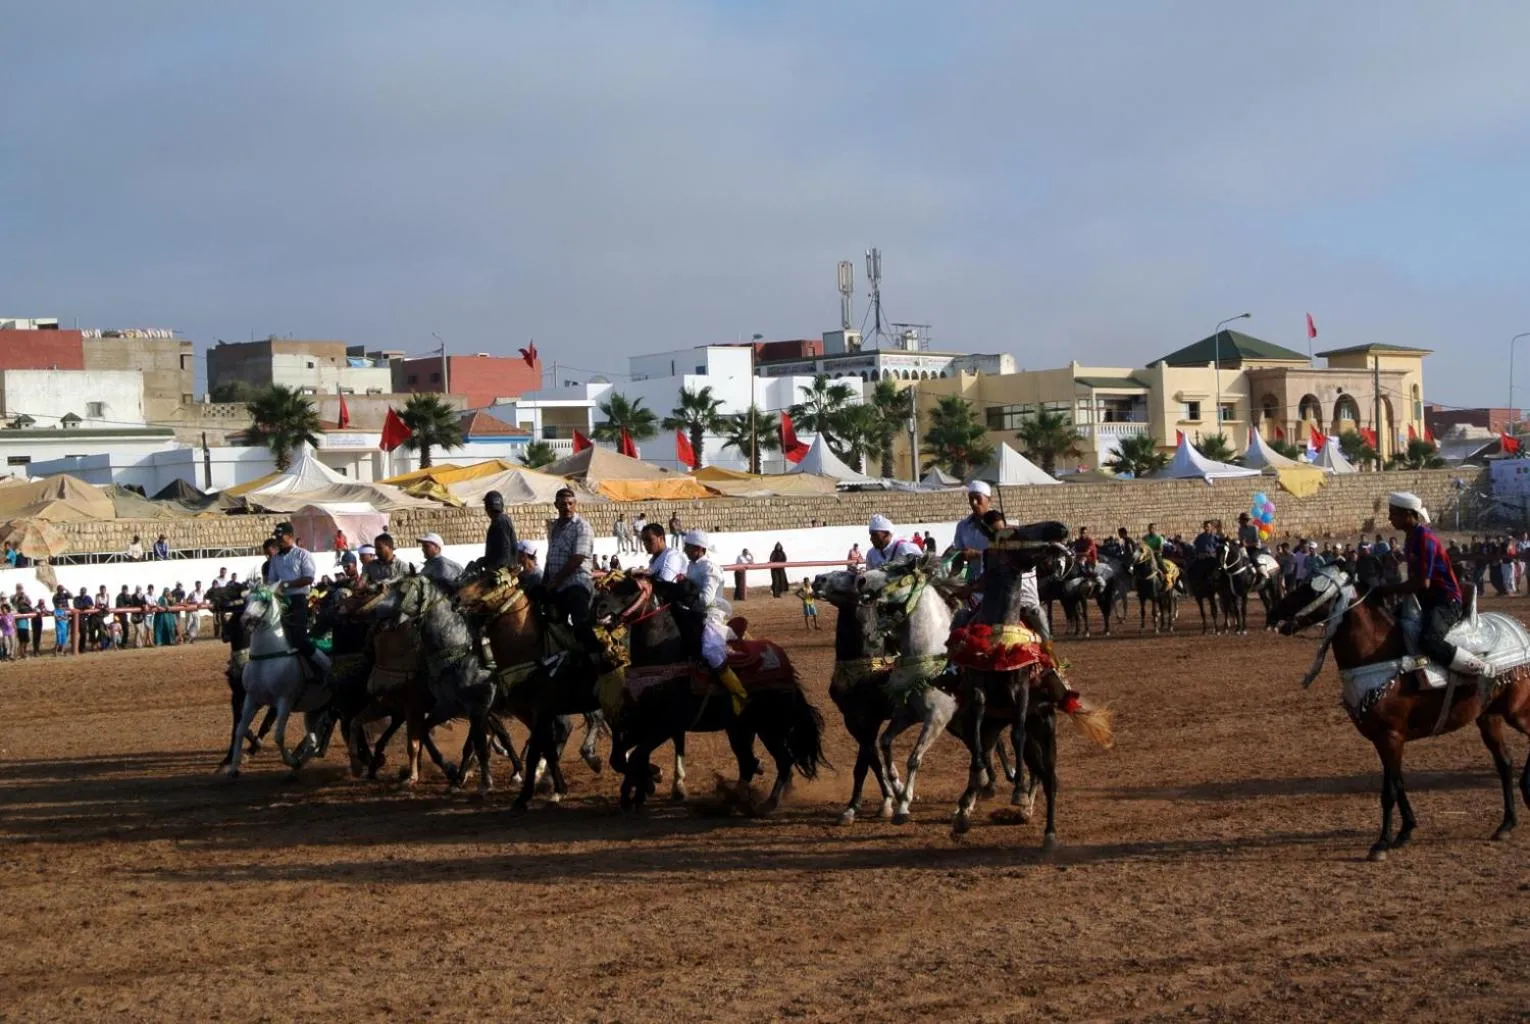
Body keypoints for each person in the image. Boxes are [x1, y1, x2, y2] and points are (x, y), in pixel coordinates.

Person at [1373, 491, 1492, 677]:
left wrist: (1385, 590)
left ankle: (1480, 669)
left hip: (1445, 601)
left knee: (1429, 640)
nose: (1389, 518)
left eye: (1393, 513)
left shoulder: (1424, 538)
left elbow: (1422, 583)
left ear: (1408, 514)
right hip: (1426, 599)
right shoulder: (1411, 537)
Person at [678, 530, 747, 712]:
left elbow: (706, 600)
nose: (685, 549)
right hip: (693, 613)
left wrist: (687, 596)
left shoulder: (710, 568)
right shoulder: (691, 566)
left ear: (699, 549)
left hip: (711, 614)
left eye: (688, 547)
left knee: (710, 650)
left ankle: (740, 694)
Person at [544, 487, 599, 653]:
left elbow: (577, 559)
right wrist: (545, 582)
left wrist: (554, 581)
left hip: (577, 581)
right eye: (563, 504)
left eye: (570, 503)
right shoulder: (554, 526)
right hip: (557, 583)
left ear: (575, 504)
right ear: (556, 505)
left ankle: (596, 658)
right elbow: (551, 556)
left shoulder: (582, 527)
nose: (567, 507)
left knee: (580, 621)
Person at [269, 523, 323, 676]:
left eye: (281, 536)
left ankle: (324, 666)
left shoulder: (302, 554)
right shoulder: (275, 559)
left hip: (299, 599)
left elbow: (308, 578)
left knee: (299, 637)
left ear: (290, 536)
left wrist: (287, 584)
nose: (278, 539)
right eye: (276, 537)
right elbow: (272, 581)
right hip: (281, 601)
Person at [950, 480, 993, 583]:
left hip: (993, 582)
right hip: (970, 581)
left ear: (989, 500)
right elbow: (961, 560)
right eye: (971, 499)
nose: (974, 503)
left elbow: (1005, 557)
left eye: (978, 499)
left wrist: (978, 554)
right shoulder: (962, 526)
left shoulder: (999, 525)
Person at [482, 491, 519, 570]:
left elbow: (504, 549)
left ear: (489, 507)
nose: (485, 509)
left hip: (502, 573)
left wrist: (497, 570)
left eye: (486, 506)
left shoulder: (500, 522)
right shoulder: (499, 521)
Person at [12, 584, 30, 660]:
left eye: (21, 588)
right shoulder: (14, 599)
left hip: (25, 624)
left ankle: (23, 653)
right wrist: (17, 595)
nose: (20, 590)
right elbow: (14, 603)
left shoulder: (25, 600)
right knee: (21, 641)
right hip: (19, 624)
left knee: (26, 640)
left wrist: (24, 596)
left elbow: (30, 603)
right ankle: (22, 654)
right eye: (18, 588)